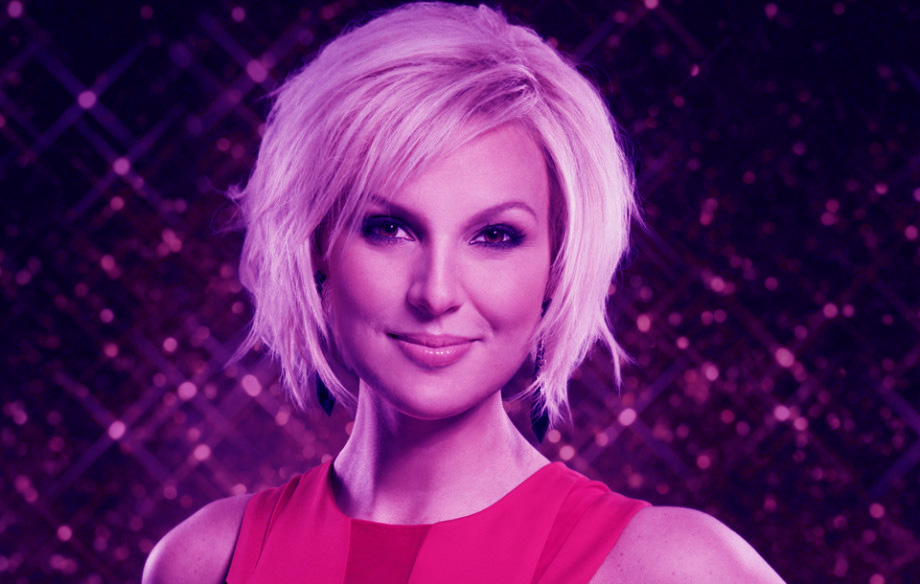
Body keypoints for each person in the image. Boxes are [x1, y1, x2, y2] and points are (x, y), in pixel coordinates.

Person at [144, 3, 786, 582]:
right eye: (389, 228)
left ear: (556, 266)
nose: (437, 292)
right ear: (317, 248)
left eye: (495, 236)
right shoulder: (203, 562)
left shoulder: (672, 568)